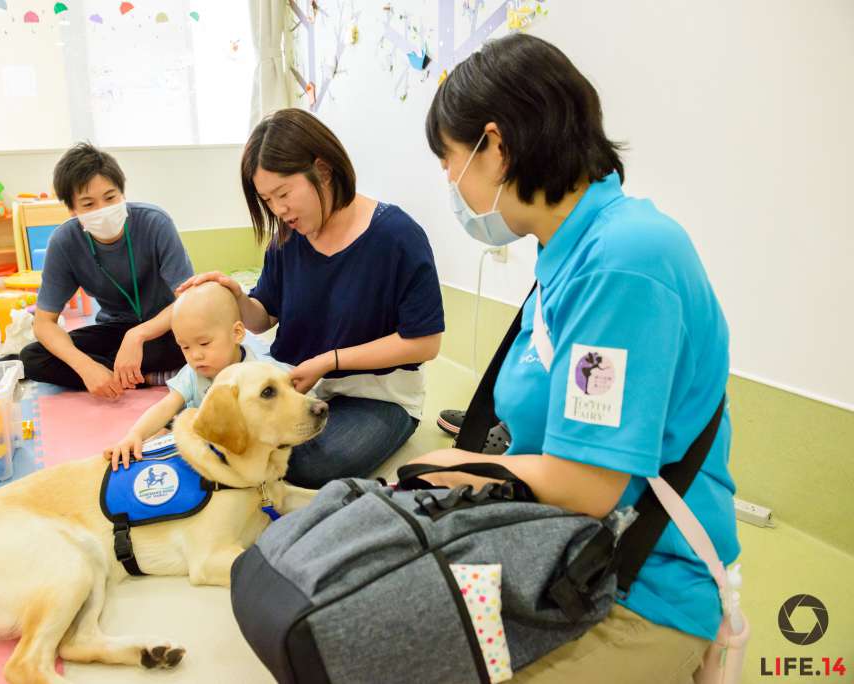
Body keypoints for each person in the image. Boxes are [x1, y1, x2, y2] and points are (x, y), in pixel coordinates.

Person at [408, 33, 740, 682]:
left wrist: (456, 464)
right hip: (554, 542)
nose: (449, 181)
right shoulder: (568, 248)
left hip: (640, 578)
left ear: (496, 147)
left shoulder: (625, 259)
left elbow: (590, 486)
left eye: (450, 160)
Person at [177, 109, 444, 488]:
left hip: (377, 398)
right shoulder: (287, 239)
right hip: (297, 386)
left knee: (305, 466)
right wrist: (236, 296)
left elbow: (424, 344)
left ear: (322, 170)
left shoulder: (397, 237)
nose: (279, 211)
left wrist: (329, 362)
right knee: (232, 440)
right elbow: (262, 318)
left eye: (284, 194)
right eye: (268, 200)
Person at [19, 143, 194, 399]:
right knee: (31, 357)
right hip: (114, 330)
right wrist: (86, 366)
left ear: (123, 195)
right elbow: (44, 323)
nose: (102, 210)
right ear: (72, 210)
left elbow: (188, 300)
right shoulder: (64, 241)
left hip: (164, 327)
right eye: (88, 204)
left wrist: (138, 335)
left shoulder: (155, 223)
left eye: (110, 198)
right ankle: (139, 376)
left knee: (197, 340)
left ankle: (122, 374)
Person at [103, 282, 283, 470]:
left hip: (241, 442)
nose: (195, 356)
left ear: (237, 333)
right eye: (185, 347)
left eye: (204, 343)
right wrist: (135, 434)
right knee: (161, 437)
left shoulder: (260, 372)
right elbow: (166, 406)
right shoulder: (192, 373)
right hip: (202, 435)